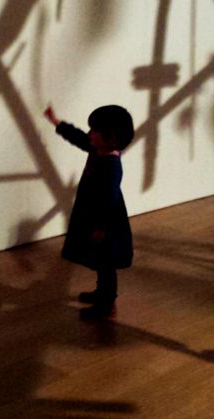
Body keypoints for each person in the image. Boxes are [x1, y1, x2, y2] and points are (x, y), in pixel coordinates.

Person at [44, 103, 134, 319]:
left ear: (111, 138)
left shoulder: (111, 165)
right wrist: (56, 122)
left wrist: (101, 227)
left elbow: (109, 199)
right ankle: (102, 293)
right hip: (91, 215)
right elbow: (78, 138)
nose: (90, 134)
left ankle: (106, 304)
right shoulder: (97, 148)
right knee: (100, 261)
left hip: (105, 222)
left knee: (106, 263)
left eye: (95, 131)